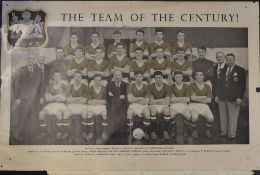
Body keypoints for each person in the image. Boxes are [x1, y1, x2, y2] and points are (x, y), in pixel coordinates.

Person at [215, 53, 246, 142]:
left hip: (234, 98)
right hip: (222, 97)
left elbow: (242, 85)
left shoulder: (240, 70)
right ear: (226, 60)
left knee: (233, 117)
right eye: (227, 60)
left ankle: (231, 134)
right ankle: (223, 133)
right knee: (223, 116)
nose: (229, 61)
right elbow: (219, 84)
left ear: (234, 59)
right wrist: (217, 95)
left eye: (230, 60)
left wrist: (239, 97)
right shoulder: (222, 70)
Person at [14, 53, 44, 144]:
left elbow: (41, 85)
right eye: (30, 59)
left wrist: (42, 96)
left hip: (35, 98)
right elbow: (16, 85)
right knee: (23, 117)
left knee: (35, 116)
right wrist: (18, 98)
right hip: (24, 98)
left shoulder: (38, 70)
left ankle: (36, 135)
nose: (31, 60)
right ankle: (18, 135)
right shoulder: (21, 70)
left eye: (33, 59)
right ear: (27, 60)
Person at [38, 71, 68, 144]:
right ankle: (43, 132)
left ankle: (60, 132)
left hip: (61, 104)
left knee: (58, 114)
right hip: (51, 105)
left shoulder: (63, 86)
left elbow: (63, 99)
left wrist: (52, 96)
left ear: (61, 77)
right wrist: (56, 96)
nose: (57, 78)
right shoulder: (50, 86)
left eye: (58, 76)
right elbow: (47, 99)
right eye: (55, 76)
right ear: (53, 77)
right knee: (41, 114)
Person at [63, 72, 88, 144]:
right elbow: (67, 99)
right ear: (73, 78)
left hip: (81, 106)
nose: (77, 78)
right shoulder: (70, 86)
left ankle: (84, 132)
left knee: (85, 114)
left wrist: (73, 99)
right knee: (65, 114)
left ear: (81, 78)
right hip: (72, 106)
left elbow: (85, 100)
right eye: (75, 77)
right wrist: (79, 98)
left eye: (79, 77)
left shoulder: (84, 86)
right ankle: (66, 132)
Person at [127, 72, 150, 144]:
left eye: (140, 76)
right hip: (133, 105)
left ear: (142, 77)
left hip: (143, 105)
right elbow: (130, 99)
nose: (138, 78)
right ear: (135, 77)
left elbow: (146, 101)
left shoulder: (146, 86)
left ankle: (145, 132)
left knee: (147, 113)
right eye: (137, 77)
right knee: (129, 113)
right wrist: (141, 98)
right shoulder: (131, 86)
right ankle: (130, 133)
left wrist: (135, 99)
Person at [189, 71, 214, 139]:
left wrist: (197, 98)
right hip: (193, 105)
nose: (199, 76)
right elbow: (192, 98)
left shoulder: (207, 86)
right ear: (195, 77)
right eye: (197, 75)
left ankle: (207, 130)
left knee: (211, 118)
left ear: (203, 76)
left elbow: (209, 100)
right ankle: (194, 131)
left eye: (201, 75)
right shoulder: (192, 85)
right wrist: (204, 97)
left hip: (204, 105)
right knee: (194, 117)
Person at [149, 71, 170, 144]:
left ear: (162, 78)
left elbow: (167, 101)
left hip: (163, 105)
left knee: (167, 110)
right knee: (153, 111)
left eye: (160, 77)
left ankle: (165, 131)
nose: (158, 79)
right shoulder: (151, 86)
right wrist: (162, 100)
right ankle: (153, 131)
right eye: (156, 78)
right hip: (154, 105)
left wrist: (157, 101)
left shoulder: (166, 86)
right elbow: (151, 101)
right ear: (154, 79)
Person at [170, 71, 191, 144]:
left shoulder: (186, 86)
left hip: (184, 105)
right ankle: (173, 127)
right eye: (176, 77)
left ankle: (185, 128)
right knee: (171, 115)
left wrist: (177, 99)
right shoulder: (171, 86)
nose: (178, 79)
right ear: (174, 78)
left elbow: (188, 99)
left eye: (180, 77)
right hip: (174, 105)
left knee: (188, 116)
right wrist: (182, 98)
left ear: (182, 78)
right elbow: (171, 99)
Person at [107, 71, 128, 144]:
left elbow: (126, 97)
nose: (117, 77)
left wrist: (115, 96)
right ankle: (113, 135)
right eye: (115, 75)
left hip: (122, 105)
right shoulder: (110, 85)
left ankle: (122, 135)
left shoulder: (125, 85)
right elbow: (108, 97)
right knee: (112, 114)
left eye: (119, 75)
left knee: (122, 115)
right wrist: (119, 97)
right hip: (112, 105)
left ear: (121, 76)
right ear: (113, 77)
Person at [87, 75, 108, 144]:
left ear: (101, 81)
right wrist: (99, 101)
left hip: (101, 106)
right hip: (92, 107)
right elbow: (89, 101)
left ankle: (104, 132)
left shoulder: (104, 88)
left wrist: (95, 100)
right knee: (89, 114)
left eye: (99, 80)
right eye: (96, 80)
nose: (97, 82)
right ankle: (91, 132)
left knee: (104, 114)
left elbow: (105, 101)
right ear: (93, 81)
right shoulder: (90, 88)